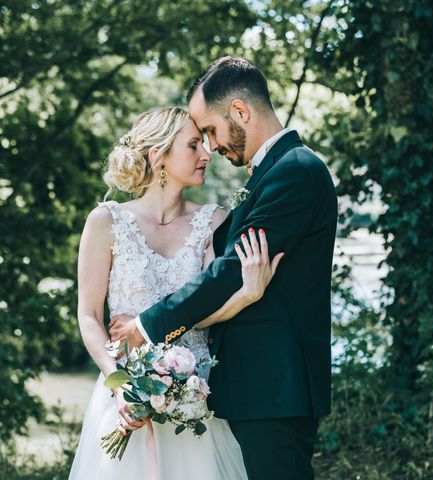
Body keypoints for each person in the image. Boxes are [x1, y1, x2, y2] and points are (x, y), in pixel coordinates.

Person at [109, 57, 338, 479]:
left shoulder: (296, 172)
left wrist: (147, 325)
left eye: (210, 131)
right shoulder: (273, 173)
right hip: (257, 387)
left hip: (275, 387)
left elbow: (230, 269)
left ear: (239, 111)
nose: (210, 147)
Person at [68, 106, 283, 480]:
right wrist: (121, 387)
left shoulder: (213, 221)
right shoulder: (106, 221)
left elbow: (203, 310)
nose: (206, 154)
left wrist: (247, 294)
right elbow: (88, 316)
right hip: (125, 398)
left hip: (196, 400)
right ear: (158, 155)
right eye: (194, 145)